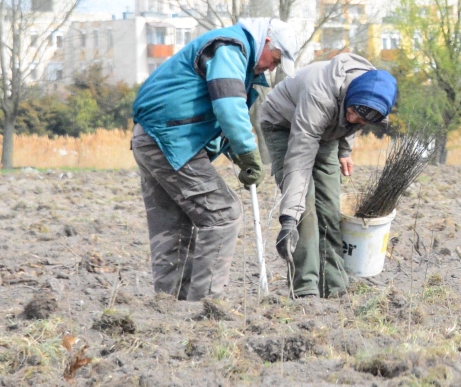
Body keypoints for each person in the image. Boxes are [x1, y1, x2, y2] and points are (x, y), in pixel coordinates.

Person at [131, 18, 297, 301]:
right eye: (275, 60)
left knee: (173, 225)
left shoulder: (232, 52)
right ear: (267, 42)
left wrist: (232, 151)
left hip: (151, 137)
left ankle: (170, 307)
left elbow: (210, 112)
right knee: (223, 214)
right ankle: (205, 305)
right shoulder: (231, 49)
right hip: (172, 139)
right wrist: (247, 153)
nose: (272, 68)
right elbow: (228, 106)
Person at [259, 53, 397, 298]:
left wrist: (344, 150)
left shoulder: (370, 89)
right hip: (284, 123)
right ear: (349, 99)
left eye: (362, 119)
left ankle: (334, 285)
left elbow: (352, 120)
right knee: (307, 209)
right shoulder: (319, 95)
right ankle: (305, 289)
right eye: (353, 111)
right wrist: (288, 218)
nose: (354, 119)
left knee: (330, 209)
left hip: (327, 131)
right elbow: (299, 163)